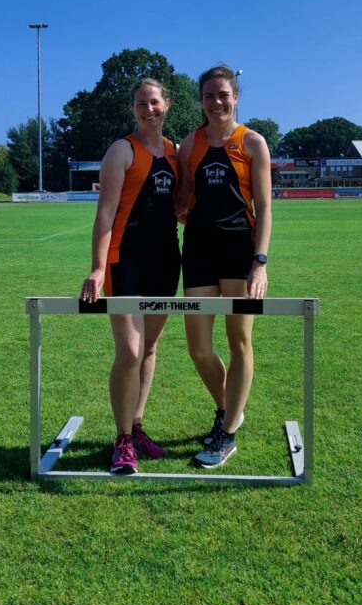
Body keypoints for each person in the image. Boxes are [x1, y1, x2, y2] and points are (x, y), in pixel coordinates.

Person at [80, 78, 181, 474]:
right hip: (126, 262)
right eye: (141, 103)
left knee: (150, 348)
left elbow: (180, 206)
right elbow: (105, 213)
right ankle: (122, 440)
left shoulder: (174, 152)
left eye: (154, 102)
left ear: (167, 104)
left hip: (165, 262)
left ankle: (136, 426)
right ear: (132, 109)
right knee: (130, 351)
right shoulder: (121, 150)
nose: (149, 109)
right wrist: (97, 268)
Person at [175, 65, 272, 468]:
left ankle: (227, 434)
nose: (216, 102)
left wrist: (259, 263)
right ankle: (228, 408)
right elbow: (183, 200)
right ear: (200, 101)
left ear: (236, 97)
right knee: (198, 348)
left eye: (223, 95)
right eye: (209, 96)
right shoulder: (188, 145)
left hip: (239, 252)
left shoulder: (252, 142)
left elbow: (264, 208)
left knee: (239, 342)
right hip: (198, 250)